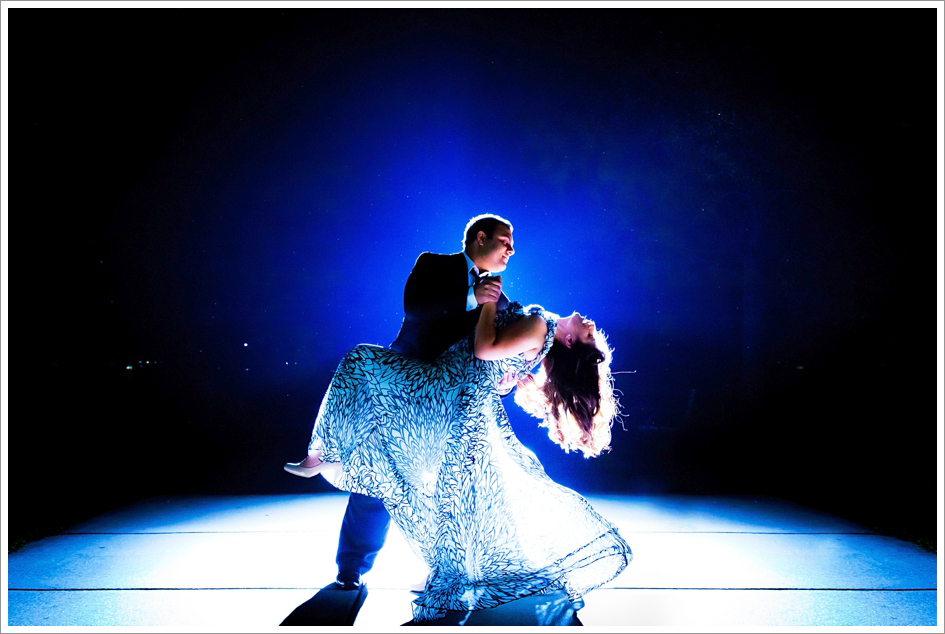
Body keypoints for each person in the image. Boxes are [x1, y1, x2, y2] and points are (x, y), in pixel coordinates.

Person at [285, 292, 631, 622]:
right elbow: (494, 360)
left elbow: (484, 349)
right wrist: (502, 377)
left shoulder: (540, 325)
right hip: (455, 398)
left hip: (445, 395)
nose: (590, 324)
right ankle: (417, 567)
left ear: (571, 342)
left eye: (590, 335)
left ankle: (322, 455)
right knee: (448, 496)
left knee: (361, 361)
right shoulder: (536, 325)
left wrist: (487, 306)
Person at [286, 214, 516, 591]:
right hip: (401, 390)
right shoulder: (434, 264)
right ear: (480, 238)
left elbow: (496, 356)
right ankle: (350, 568)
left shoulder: (502, 302)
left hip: (447, 407)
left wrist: (506, 382)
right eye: (505, 241)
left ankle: (445, 573)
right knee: (375, 477)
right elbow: (418, 308)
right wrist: (476, 297)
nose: (510, 250)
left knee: (449, 491)